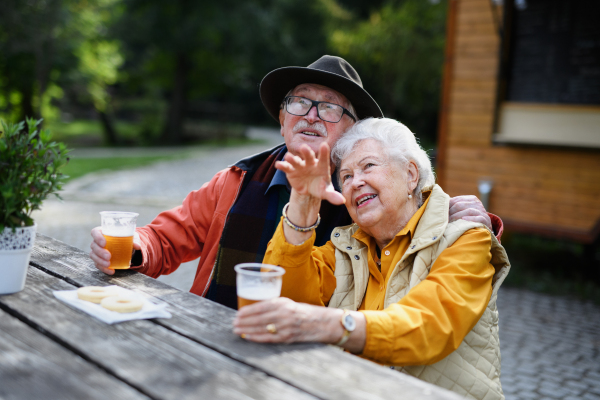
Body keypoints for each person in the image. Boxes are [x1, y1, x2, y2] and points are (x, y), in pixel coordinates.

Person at [90, 55, 503, 309]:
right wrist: (130, 247)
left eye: (328, 108)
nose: (310, 115)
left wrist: (460, 216)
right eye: (300, 102)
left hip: (315, 364)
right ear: (283, 117)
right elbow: (163, 240)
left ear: (352, 131)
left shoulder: (369, 196)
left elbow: (421, 231)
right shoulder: (236, 180)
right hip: (213, 339)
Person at [233, 118, 510, 400]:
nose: (356, 183)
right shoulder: (345, 246)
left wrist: (328, 325)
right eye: (346, 177)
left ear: (411, 175)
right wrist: (303, 204)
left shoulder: (466, 238)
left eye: (368, 166)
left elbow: (429, 326)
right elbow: (287, 294)